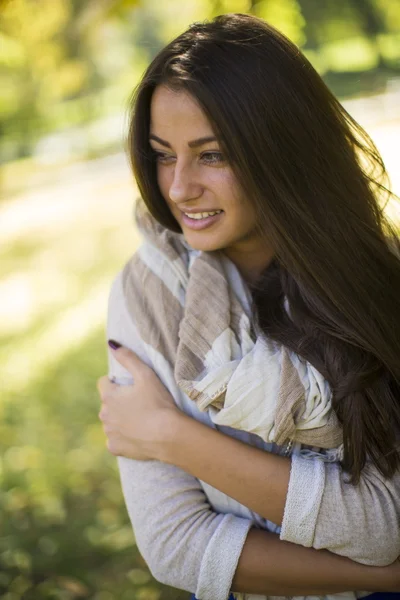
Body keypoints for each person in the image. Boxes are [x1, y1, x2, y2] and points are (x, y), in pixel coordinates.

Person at [97, 13, 400, 600]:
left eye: (211, 155)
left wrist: (171, 436)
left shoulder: (374, 277)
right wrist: (384, 575)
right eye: (163, 155)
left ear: (281, 151)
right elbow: (175, 546)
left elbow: (386, 520)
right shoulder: (149, 294)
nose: (180, 187)